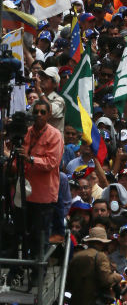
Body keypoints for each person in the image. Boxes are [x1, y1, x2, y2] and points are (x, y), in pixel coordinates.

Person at [18, 99, 64, 255]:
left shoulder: (55, 135)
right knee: (24, 236)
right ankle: (21, 269)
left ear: (49, 115)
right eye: (36, 111)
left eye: (42, 112)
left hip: (43, 197)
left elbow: (52, 163)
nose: (38, 115)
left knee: (40, 238)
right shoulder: (26, 132)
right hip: (24, 194)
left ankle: (38, 275)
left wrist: (30, 159)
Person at [67, 226, 122, 305]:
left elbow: (69, 281)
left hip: (76, 301)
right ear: (102, 243)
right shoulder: (100, 256)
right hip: (93, 301)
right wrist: (117, 276)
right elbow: (106, 280)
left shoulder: (76, 256)